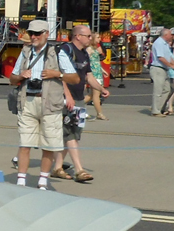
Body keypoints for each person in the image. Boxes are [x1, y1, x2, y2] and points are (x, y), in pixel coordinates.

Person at [10, 19, 78, 189]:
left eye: (37, 34)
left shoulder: (57, 52)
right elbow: (12, 79)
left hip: (50, 103)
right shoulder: (25, 52)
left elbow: (75, 78)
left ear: (46, 34)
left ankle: (42, 181)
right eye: (31, 33)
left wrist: (57, 74)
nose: (33, 37)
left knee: (49, 144)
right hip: (28, 101)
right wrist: (21, 76)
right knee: (25, 143)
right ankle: (21, 181)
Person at [52, 25, 109, 183]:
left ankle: (57, 168)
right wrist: (67, 95)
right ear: (78, 36)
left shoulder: (84, 53)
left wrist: (101, 88)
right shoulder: (65, 50)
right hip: (65, 99)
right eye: (88, 36)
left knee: (74, 133)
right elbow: (59, 75)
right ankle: (79, 170)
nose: (90, 39)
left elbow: (88, 76)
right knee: (70, 133)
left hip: (78, 98)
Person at [149, 27, 173, 117]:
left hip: (164, 69)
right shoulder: (159, 43)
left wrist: (172, 64)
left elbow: (169, 57)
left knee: (167, 89)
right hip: (158, 68)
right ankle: (155, 111)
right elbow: (160, 57)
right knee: (158, 90)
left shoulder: (165, 44)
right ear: (166, 35)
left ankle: (159, 107)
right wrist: (170, 66)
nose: (172, 36)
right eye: (170, 34)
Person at [88, 32, 107, 120]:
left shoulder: (96, 48)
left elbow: (96, 62)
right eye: (98, 37)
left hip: (98, 71)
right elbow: (87, 61)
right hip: (94, 73)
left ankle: (76, 105)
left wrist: (103, 71)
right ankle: (99, 113)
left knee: (91, 95)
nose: (99, 39)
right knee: (96, 95)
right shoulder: (89, 49)